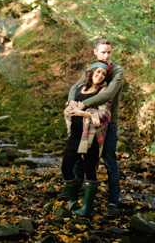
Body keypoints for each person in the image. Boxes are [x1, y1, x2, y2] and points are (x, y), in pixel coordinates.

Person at [66, 39, 124, 215]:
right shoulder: (93, 68)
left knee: (109, 161)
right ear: (95, 52)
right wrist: (71, 103)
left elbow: (107, 94)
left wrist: (82, 106)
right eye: (103, 52)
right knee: (79, 159)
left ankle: (113, 201)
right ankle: (81, 195)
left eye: (109, 52)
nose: (106, 56)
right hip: (84, 123)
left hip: (108, 121)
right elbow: (75, 87)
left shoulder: (117, 71)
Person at [62, 61, 112, 217]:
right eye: (98, 72)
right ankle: (73, 202)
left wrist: (80, 112)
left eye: (103, 74)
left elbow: (104, 116)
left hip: (91, 138)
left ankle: (86, 208)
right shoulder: (79, 88)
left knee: (90, 171)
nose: (100, 75)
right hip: (76, 135)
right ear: (91, 73)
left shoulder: (103, 92)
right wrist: (70, 109)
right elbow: (71, 105)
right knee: (66, 168)